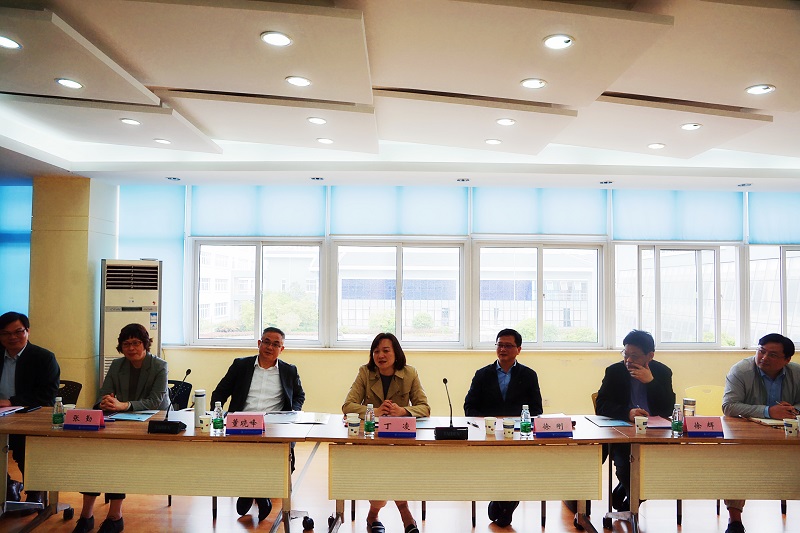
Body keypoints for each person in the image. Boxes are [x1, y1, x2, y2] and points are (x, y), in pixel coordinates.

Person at [72, 323, 169, 533]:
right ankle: (86, 515)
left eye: (136, 343)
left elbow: (155, 401)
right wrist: (105, 402)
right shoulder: (117, 365)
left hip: (152, 425)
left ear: (145, 344)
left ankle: (115, 516)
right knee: (95, 457)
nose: (131, 348)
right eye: (126, 344)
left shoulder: (159, 365)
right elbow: (103, 393)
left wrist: (124, 405)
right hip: (120, 423)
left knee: (115, 457)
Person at [211, 326, 305, 523]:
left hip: (274, 425)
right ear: (259, 343)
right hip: (242, 422)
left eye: (276, 344)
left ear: (282, 349)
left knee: (271, 450)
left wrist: (292, 413)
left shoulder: (289, 370)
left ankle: (249, 492)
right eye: (266, 342)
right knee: (248, 450)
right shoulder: (241, 365)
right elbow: (220, 392)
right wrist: (217, 416)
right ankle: (260, 495)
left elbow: (299, 396)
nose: (270, 347)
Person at [342, 332, 430, 533]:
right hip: (372, 441)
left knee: (395, 465)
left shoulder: (410, 373)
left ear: (396, 353)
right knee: (382, 466)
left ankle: (373, 516)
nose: (380, 355)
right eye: (376, 351)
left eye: (385, 350)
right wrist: (375, 411)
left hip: (400, 441)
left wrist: (403, 411)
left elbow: (424, 407)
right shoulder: (365, 372)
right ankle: (405, 514)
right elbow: (348, 405)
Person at [463, 328, 542, 528]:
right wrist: (486, 422)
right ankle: (505, 500)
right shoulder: (482, 374)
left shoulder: (529, 375)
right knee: (495, 466)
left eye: (508, 345)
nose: (503, 349)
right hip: (489, 435)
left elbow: (536, 409)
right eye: (500, 345)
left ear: (519, 350)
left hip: (518, 435)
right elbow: (469, 406)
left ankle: (505, 501)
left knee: (515, 465)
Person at [721, 333, 799, 533]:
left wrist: (794, 410)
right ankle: (735, 521)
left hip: (787, 433)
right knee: (735, 461)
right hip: (746, 434)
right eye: (761, 351)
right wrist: (768, 411)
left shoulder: (797, 373)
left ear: (787, 360)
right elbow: (729, 406)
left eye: (772, 355)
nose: (764, 358)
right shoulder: (741, 370)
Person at [595, 329, 674, 512]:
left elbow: (667, 408)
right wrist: (628, 413)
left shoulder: (662, 372)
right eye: (625, 354)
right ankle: (631, 504)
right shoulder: (615, 371)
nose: (628, 360)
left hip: (655, 433)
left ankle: (627, 499)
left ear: (650, 356)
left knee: (659, 470)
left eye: (635, 356)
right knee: (625, 468)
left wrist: (651, 382)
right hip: (623, 433)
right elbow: (601, 405)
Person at [0, 311, 60, 508]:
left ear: (28, 331)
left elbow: (47, 396)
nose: (12, 337)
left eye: (18, 331)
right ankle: (8, 485)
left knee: (25, 450)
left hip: (30, 417)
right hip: (1, 417)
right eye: (5, 333)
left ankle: (35, 490)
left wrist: (11, 401)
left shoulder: (43, 358)